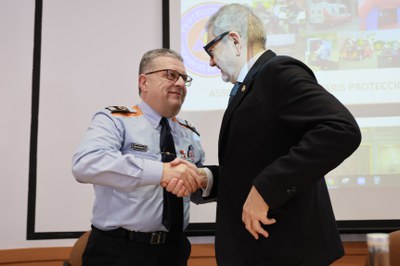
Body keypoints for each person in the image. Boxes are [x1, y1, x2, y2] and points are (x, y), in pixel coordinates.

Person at [198, 3, 362, 265]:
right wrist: (207, 178)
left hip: (284, 252)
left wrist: (266, 189)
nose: (210, 60)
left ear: (235, 40)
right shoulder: (251, 84)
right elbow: (256, 162)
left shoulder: (277, 72)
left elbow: (340, 129)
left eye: (211, 49)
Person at [71, 48, 211, 266]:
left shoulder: (189, 134)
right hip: (119, 251)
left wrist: (201, 179)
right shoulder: (115, 120)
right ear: (144, 82)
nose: (181, 84)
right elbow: (85, 164)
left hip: (174, 251)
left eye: (184, 78)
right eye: (171, 75)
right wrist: (162, 172)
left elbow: (195, 192)